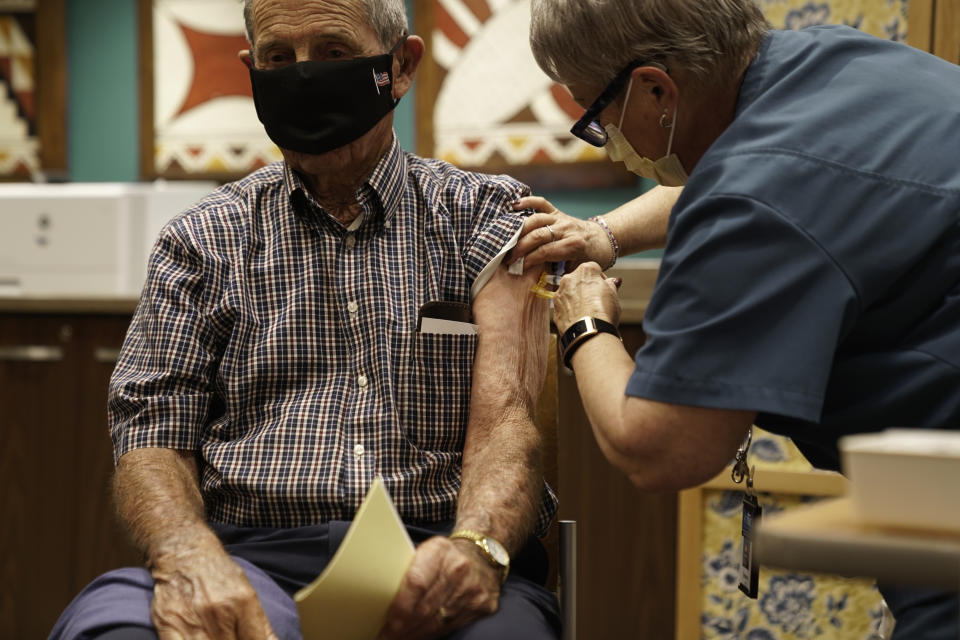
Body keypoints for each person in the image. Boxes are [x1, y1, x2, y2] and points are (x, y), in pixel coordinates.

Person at [49, 1, 561, 638]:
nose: (305, 76)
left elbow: (507, 421)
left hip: (433, 548)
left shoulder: (484, 218)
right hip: (242, 554)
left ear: (400, 67)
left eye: (335, 53)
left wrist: (476, 549)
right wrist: (187, 556)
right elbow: (151, 435)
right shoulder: (202, 241)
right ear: (252, 72)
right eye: (278, 58)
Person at [507, 0, 960, 638]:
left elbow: (658, 448)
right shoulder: (826, 62)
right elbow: (757, 166)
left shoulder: (753, 199)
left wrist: (587, 323)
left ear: (654, 89)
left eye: (598, 118)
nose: (607, 143)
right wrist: (603, 233)